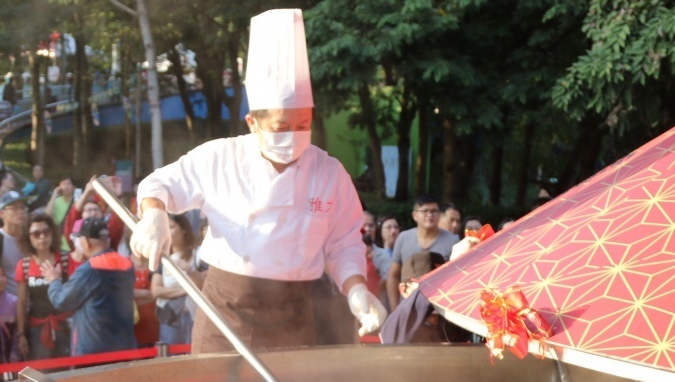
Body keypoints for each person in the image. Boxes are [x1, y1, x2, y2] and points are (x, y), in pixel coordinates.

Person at [131, 9, 386, 353]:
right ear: (253, 122)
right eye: (281, 127)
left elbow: (343, 242)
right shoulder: (220, 157)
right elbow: (157, 185)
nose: (294, 136)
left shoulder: (329, 172)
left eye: (302, 126)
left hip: (297, 310)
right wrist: (154, 215)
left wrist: (356, 288)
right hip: (228, 311)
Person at [44, 218, 136, 356]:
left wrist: (54, 280)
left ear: (85, 242)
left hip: (93, 351)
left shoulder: (89, 270)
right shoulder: (127, 264)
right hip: (125, 347)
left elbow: (61, 300)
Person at [15, 212, 73, 362]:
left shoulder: (66, 260)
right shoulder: (24, 265)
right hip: (37, 329)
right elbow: (21, 303)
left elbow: (75, 294)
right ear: (27, 237)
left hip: (65, 326)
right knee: (41, 376)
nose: (42, 237)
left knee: (68, 374)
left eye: (46, 232)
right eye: (36, 233)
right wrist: (21, 334)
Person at [385, 195, 458, 310]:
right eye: (425, 211)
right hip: (406, 307)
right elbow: (393, 275)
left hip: (438, 309)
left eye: (434, 211)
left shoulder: (452, 241)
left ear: (439, 215)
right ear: (415, 215)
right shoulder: (403, 238)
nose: (430, 215)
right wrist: (395, 309)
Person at [152, 214, 202, 345]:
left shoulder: (198, 254)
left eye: (171, 227)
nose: (167, 231)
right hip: (170, 318)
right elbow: (155, 290)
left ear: (184, 229)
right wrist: (186, 290)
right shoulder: (161, 258)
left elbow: (205, 284)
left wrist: (190, 271)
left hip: (194, 318)